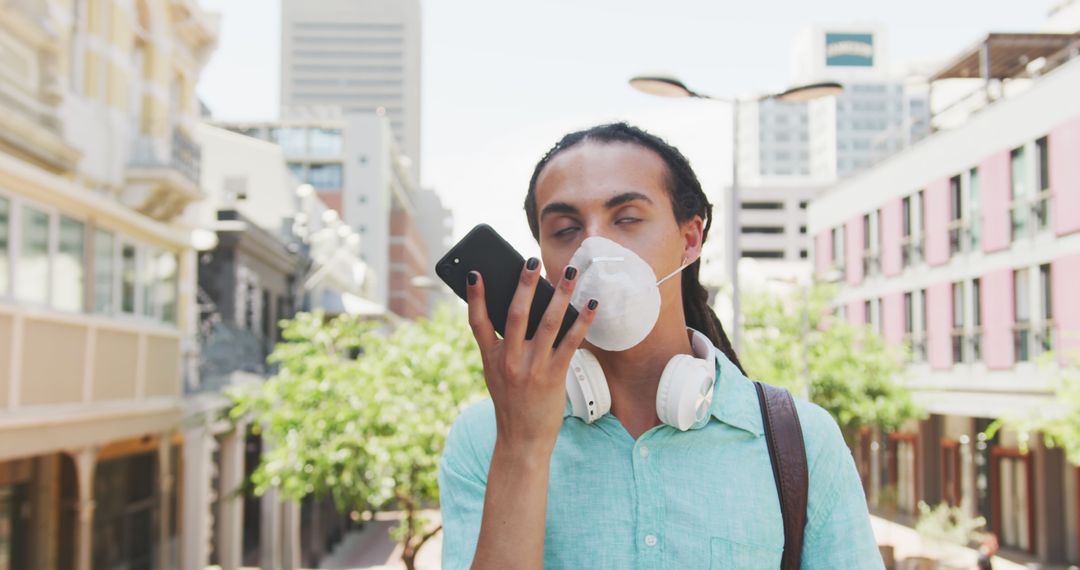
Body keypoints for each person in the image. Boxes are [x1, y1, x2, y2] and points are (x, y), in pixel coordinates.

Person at [438, 122, 882, 569]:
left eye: (627, 218)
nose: (595, 246)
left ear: (690, 240)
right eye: (565, 229)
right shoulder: (484, 440)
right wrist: (522, 447)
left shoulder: (802, 441)